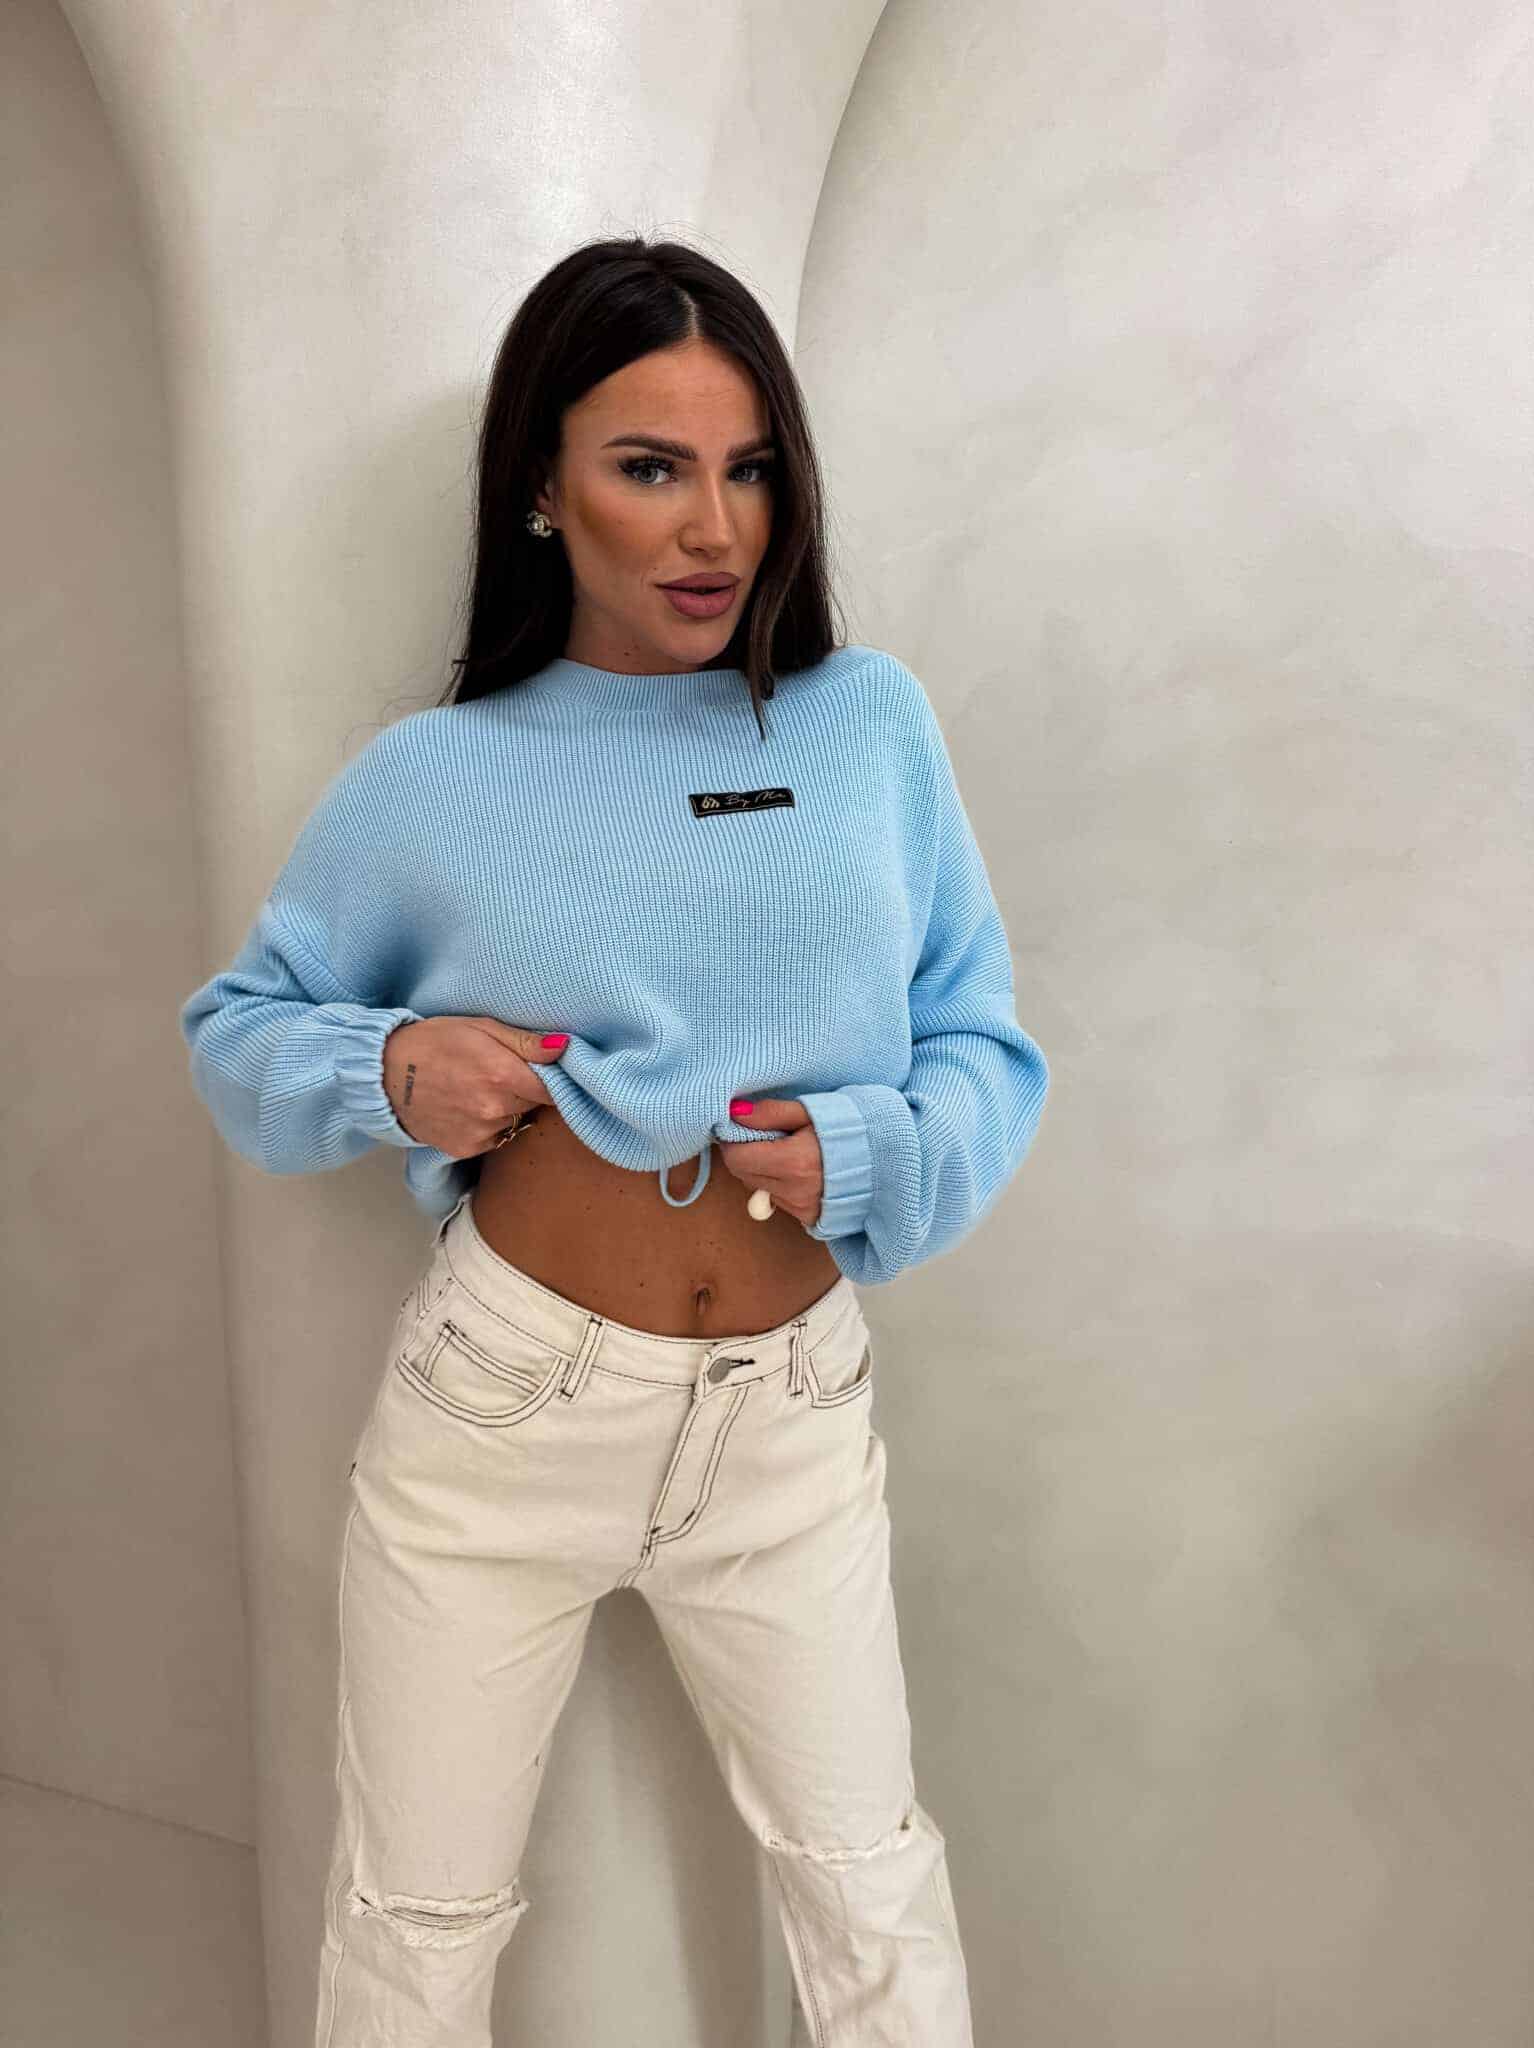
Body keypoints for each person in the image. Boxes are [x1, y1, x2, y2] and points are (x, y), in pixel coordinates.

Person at [180, 235, 1049, 2048]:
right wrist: (392, 1066)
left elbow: (982, 1041)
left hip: (792, 1420)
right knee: (416, 1917)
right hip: (505, 1411)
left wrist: (880, 1152)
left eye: (749, 469)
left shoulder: (866, 725)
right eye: (650, 468)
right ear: (541, 488)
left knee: (869, 1886)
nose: (712, 529)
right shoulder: (434, 777)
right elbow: (241, 1033)